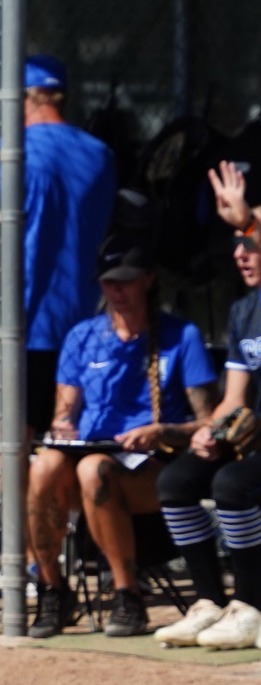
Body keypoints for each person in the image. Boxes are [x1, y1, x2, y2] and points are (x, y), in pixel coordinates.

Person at [26, 234, 218, 638]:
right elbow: (66, 414)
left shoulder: (179, 336)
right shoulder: (83, 337)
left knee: (95, 470)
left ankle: (128, 597)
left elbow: (209, 422)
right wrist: (63, 426)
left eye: (126, 280)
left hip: (151, 466)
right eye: (109, 281)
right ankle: (52, 589)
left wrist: (163, 429)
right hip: (90, 460)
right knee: (44, 465)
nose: (117, 290)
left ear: (148, 279)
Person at [0, 54, 118, 442]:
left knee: (11, 436)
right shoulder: (100, 154)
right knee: (68, 439)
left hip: (23, 320)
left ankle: (15, 504)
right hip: (87, 319)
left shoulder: (4, 151)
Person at [151, 163, 261, 649]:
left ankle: (252, 605)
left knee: (233, 483)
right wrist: (209, 432)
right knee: (177, 480)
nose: (242, 252)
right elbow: (234, 398)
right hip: (254, 438)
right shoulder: (243, 311)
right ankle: (210, 602)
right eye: (237, 243)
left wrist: (247, 221)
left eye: (252, 243)